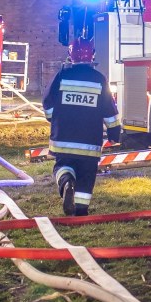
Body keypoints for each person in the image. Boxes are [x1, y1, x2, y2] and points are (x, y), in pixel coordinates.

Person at [43, 38, 120, 216]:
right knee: (87, 174)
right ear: (91, 56)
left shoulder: (62, 75)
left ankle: (67, 182)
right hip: (89, 141)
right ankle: (81, 210)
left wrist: (53, 119)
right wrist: (114, 132)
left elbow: (48, 101)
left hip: (63, 139)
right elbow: (109, 109)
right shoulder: (99, 79)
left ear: (71, 56)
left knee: (62, 166)